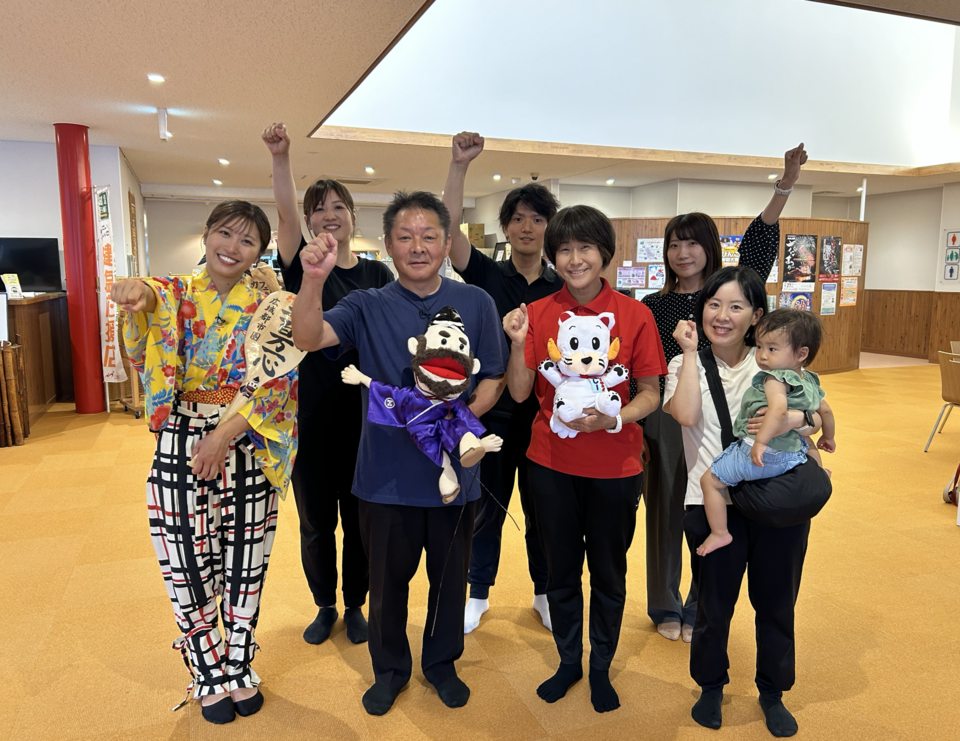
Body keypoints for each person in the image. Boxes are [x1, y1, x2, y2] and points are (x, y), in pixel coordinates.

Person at [291, 190, 505, 716]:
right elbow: (308, 336)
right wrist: (313, 279)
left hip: (455, 478)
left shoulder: (477, 302)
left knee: (449, 582)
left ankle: (441, 664)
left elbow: (494, 377)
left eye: (429, 236)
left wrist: (453, 428)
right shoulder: (367, 304)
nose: (418, 246)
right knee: (387, 585)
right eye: (405, 237)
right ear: (388, 245)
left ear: (447, 243)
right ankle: (390, 670)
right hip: (384, 478)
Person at [113, 200, 298, 724]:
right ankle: (208, 672)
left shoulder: (271, 307)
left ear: (260, 253)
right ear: (206, 234)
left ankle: (238, 665)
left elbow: (278, 381)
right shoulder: (177, 291)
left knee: (245, 559)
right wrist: (137, 292)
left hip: (246, 435)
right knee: (187, 559)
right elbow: (153, 297)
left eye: (247, 241)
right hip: (180, 436)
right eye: (225, 233)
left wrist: (222, 436)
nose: (233, 247)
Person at [641, 143, 808, 643]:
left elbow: (759, 241)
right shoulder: (652, 304)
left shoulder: (726, 294)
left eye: (693, 243)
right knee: (666, 511)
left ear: (711, 249)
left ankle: (699, 602)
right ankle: (663, 601)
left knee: (713, 506)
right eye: (674, 244)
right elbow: (643, 368)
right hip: (668, 414)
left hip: (725, 415)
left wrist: (785, 184)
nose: (683, 253)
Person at [503, 205, 665, 713]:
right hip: (550, 464)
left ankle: (601, 667)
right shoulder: (538, 312)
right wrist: (517, 343)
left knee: (609, 573)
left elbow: (650, 392)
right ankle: (569, 660)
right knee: (560, 570)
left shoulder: (634, 315)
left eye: (585, 248)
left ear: (604, 254)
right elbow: (520, 391)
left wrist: (614, 419)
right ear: (553, 257)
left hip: (616, 467)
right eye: (565, 250)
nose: (575, 259)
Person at [664, 266, 822, 737]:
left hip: (776, 500)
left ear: (756, 315)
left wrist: (794, 419)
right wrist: (689, 353)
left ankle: (773, 691)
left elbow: (816, 415)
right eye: (714, 304)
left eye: (736, 306)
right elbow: (686, 415)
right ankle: (710, 685)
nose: (722, 315)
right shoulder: (683, 364)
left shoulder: (774, 359)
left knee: (777, 603)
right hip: (710, 501)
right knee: (713, 607)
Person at [262, 123, 394, 646]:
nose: (329, 214)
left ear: (353, 216)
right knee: (316, 522)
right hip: (311, 415)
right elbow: (283, 214)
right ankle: (324, 604)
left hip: (365, 419)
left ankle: (356, 603)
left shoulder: (378, 276)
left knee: (360, 521)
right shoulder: (305, 265)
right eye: (319, 209)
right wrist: (282, 156)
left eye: (339, 206)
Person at [442, 131, 561, 633]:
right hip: (492, 413)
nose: (527, 227)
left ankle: (543, 592)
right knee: (486, 508)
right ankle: (478, 592)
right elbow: (449, 229)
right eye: (518, 219)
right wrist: (459, 167)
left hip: (548, 418)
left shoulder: (563, 285)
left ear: (549, 228)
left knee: (543, 512)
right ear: (506, 228)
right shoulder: (487, 275)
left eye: (537, 219)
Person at [696, 309, 836, 555]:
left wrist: (760, 442)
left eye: (772, 349)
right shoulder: (810, 380)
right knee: (809, 443)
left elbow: (778, 409)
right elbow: (825, 411)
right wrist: (828, 437)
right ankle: (819, 473)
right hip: (794, 453)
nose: (761, 355)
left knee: (709, 481)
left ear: (801, 353)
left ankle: (720, 533)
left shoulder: (774, 378)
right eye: (759, 346)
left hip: (766, 453)